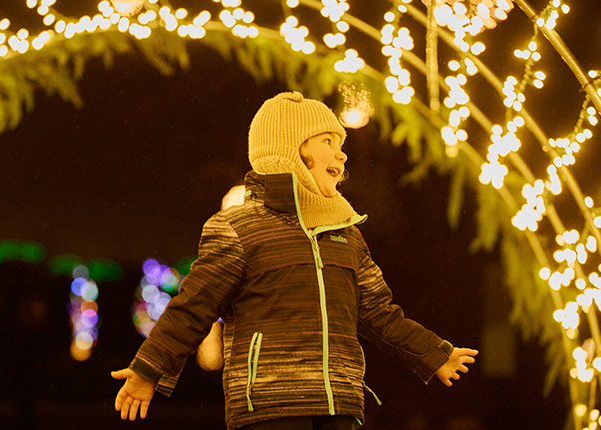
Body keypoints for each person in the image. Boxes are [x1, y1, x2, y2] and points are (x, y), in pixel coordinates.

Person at [111, 91, 478, 430]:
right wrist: (149, 369)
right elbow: (194, 306)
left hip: (338, 401)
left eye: (341, 144)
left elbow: (378, 311)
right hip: (271, 403)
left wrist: (433, 352)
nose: (342, 154)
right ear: (291, 150)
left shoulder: (345, 232)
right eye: (328, 143)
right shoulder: (238, 227)